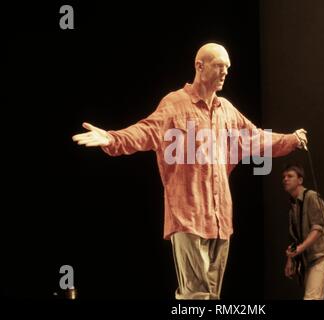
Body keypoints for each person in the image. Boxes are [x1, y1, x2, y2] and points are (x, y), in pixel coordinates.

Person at [72, 43, 308, 299]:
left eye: (227, 67)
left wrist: (291, 139)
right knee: (195, 296)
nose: (225, 72)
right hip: (188, 216)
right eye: (219, 65)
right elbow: (146, 130)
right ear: (200, 66)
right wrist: (112, 138)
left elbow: (256, 138)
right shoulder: (175, 104)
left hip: (220, 219)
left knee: (212, 297)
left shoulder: (226, 110)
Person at [282, 164, 324, 300]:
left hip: (322, 253)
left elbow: (318, 229)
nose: (285, 179)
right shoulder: (293, 205)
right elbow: (295, 238)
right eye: (284, 177)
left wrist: (299, 249)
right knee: (315, 296)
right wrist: (290, 259)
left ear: (300, 180)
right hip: (311, 257)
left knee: (311, 297)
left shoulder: (311, 196)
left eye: (290, 176)